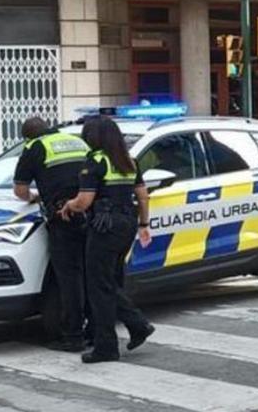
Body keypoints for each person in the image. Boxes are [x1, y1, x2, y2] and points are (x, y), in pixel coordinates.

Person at [59, 116, 153, 364]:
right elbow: (143, 197)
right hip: (126, 225)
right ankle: (136, 326)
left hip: (104, 226)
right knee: (109, 282)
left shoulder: (96, 161)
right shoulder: (129, 162)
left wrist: (69, 204)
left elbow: (84, 202)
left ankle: (108, 346)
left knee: (98, 287)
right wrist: (144, 224)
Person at [12, 117, 90, 352]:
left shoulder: (34, 147)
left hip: (63, 216)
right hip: (91, 212)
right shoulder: (76, 141)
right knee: (91, 274)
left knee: (69, 277)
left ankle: (73, 335)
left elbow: (20, 190)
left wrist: (35, 197)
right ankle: (95, 330)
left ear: (28, 136)